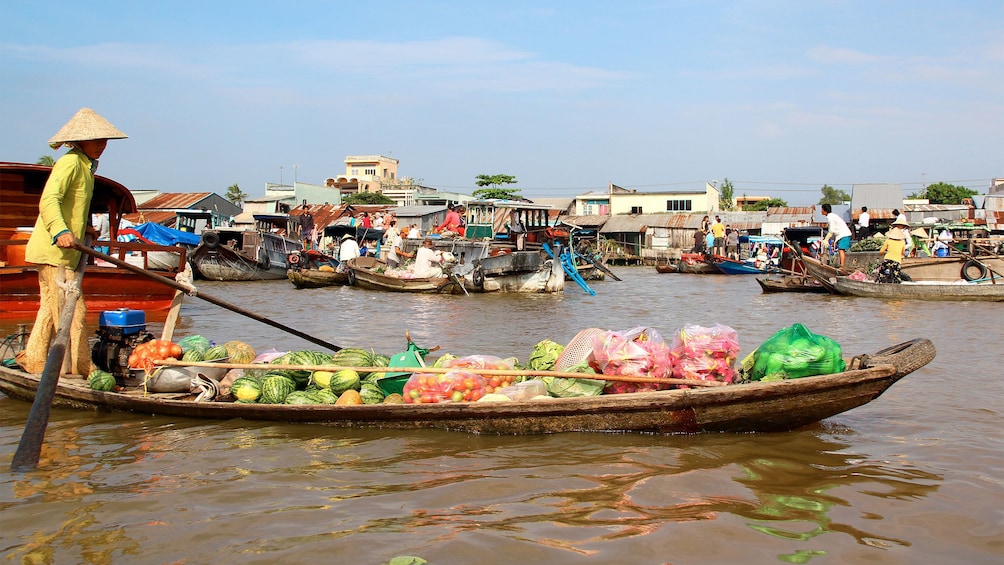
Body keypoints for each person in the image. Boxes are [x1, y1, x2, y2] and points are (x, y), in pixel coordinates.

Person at [16, 108, 128, 376]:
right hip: (54, 252)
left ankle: (33, 359)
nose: (102, 146)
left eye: (105, 142)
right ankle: (83, 367)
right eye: (96, 141)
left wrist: (83, 228)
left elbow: (72, 206)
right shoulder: (70, 163)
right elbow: (49, 200)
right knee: (75, 310)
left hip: (64, 254)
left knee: (49, 308)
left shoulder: (85, 167)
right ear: (80, 141)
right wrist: (60, 231)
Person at [821, 203, 853, 269]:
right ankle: (842, 265)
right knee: (841, 250)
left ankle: (842, 266)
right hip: (842, 235)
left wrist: (826, 239)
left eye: (822, 209)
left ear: (824, 210)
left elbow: (831, 230)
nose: (821, 211)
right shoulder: (832, 216)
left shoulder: (830, 217)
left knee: (841, 250)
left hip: (844, 234)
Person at [877, 218, 909, 283]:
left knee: (882, 273)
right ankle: (897, 285)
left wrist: (881, 254)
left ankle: (879, 282)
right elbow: (902, 252)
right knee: (896, 275)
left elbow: (881, 251)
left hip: (888, 259)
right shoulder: (902, 242)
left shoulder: (888, 241)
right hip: (897, 260)